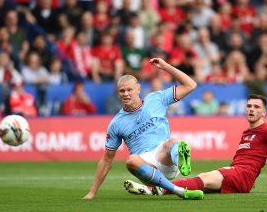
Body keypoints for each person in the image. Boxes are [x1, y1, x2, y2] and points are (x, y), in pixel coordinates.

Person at [124, 94, 267, 197]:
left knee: (204, 177)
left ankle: (153, 189)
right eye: (249, 106)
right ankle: (160, 190)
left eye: (256, 107)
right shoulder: (247, 133)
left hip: (243, 174)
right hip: (237, 173)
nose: (251, 109)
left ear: (264, 112)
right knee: (201, 181)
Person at [83, 58, 204, 200]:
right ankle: (179, 191)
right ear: (118, 93)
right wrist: (92, 192)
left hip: (166, 158)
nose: (126, 94)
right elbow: (107, 160)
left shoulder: (156, 98)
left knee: (172, 142)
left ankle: (182, 162)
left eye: (129, 89)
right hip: (146, 167)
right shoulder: (116, 123)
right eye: (122, 91)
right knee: (131, 161)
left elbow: (191, 85)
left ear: (138, 89)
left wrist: (165, 66)